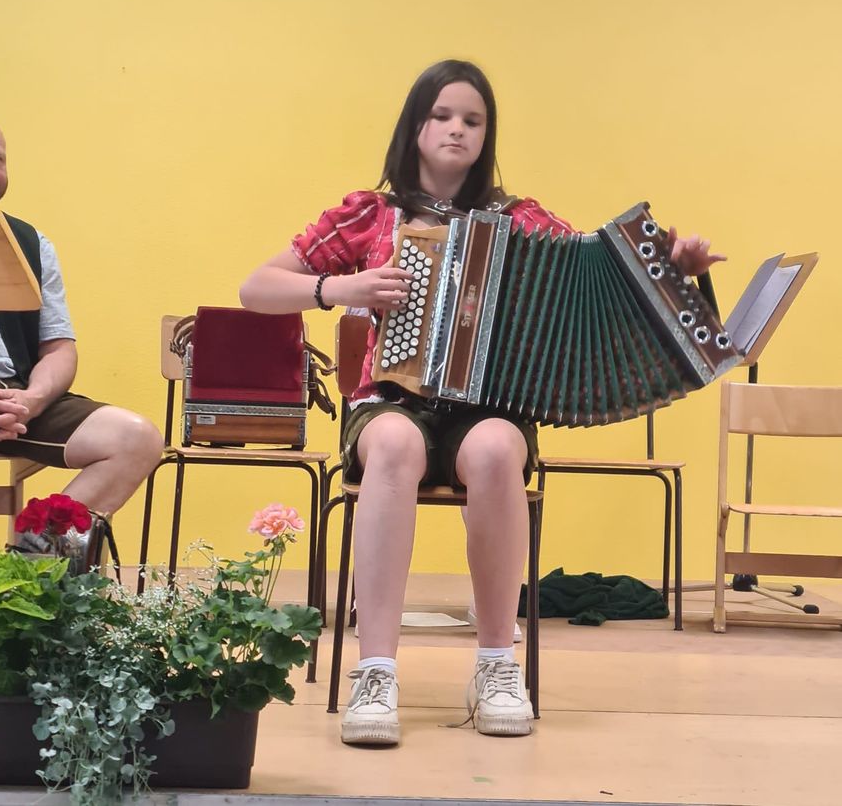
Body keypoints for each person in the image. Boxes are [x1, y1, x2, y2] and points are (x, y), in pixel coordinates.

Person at [240, 59, 725, 747]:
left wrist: (674, 268)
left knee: (499, 448)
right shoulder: (369, 214)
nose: (457, 130)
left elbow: (604, 272)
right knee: (397, 445)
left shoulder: (521, 219)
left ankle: (497, 665)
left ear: (486, 134)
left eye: (473, 119)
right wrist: (340, 291)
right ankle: (374, 670)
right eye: (441, 115)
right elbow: (255, 288)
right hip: (391, 400)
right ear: (414, 126)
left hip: (487, 407)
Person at [0, 117, 164, 542]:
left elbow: (59, 349)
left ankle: (37, 575)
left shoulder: (31, 243)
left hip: (15, 399)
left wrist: (30, 400)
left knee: (136, 439)